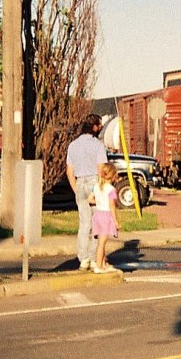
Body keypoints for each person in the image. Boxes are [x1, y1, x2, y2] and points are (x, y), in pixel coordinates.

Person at [66, 113, 108, 271]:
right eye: (100, 125)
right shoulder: (98, 145)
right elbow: (101, 169)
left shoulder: (73, 145)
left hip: (79, 182)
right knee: (97, 223)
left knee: (84, 223)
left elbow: (70, 171)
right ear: (95, 127)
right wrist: (100, 188)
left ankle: (82, 258)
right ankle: (93, 256)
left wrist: (75, 188)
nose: (101, 127)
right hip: (93, 182)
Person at [89, 161, 121, 273]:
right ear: (112, 176)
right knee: (102, 243)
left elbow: (89, 199)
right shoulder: (111, 190)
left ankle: (103, 264)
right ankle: (99, 266)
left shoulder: (96, 187)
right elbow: (112, 206)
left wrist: (98, 202)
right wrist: (116, 221)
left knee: (100, 242)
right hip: (106, 216)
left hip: (97, 214)